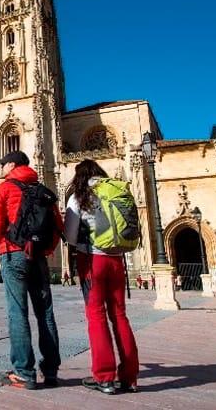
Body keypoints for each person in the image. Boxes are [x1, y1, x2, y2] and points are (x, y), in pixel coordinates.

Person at [0, 150, 63, 390]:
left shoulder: (3, 189)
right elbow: (57, 226)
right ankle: (50, 370)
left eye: (2, 164)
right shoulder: (43, 191)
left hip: (13, 254)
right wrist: (47, 250)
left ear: (11, 165)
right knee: (46, 313)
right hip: (38, 257)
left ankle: (23, 372)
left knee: (17, 312)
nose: (0, 169)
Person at [64, 159, 139, 395]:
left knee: (96, 316)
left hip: (93, 262)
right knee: (120, 316)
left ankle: (105, 377)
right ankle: (129, 377)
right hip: (117, 261)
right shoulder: (115, 191)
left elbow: (70, 237)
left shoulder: (79, 197)